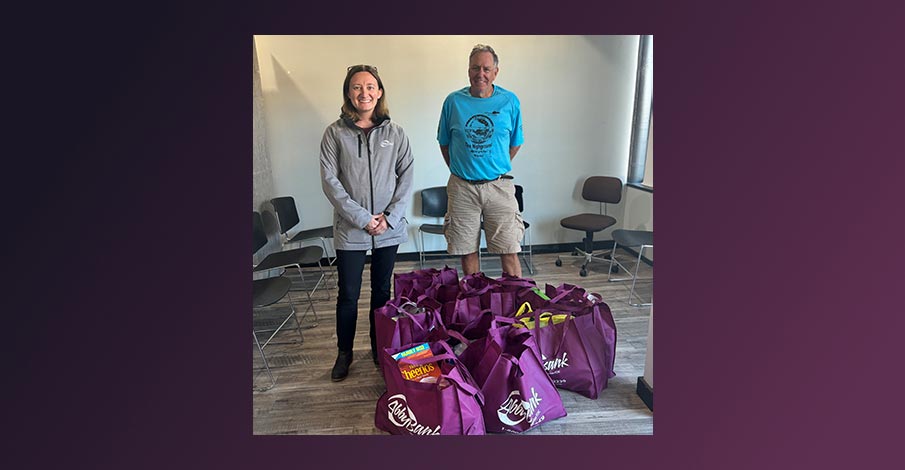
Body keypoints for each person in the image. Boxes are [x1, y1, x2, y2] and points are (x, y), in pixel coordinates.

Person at [320, 64, 414, 382]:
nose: (365, 92)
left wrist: (389, 218)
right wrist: (362, 219)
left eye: (370, 86)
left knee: (381, 292)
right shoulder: (334, 133)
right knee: (347, 294)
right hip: (351, 229)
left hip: (388, 229)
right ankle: (344, 353)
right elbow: (331, 182)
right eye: (357, 87)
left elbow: (407, 177)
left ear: (380, 92)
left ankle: (380, 348)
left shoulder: (396, 133)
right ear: (348, 92)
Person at [437, 44, 525, 277]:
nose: (481, 74)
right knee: (467, 251)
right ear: (468, 71)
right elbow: (444, 143)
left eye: (486, 68)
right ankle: (474, 304)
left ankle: (514, 303)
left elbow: (515, 142)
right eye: (475, 68)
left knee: (509, 248)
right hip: (462, 187)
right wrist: (462, 169)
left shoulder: (510, 101)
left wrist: (493, 167)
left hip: (499, 186)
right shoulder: (453, 102)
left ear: (496, 72)